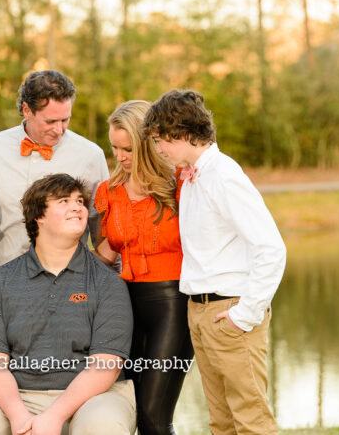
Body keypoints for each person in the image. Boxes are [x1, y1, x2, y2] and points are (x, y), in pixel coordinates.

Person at [0, 174, 136, 435]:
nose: (77, 207)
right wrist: (18, 416)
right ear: (39, 217)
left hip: (94, 397)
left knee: (103, 426)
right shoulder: (0, 281)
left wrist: (54, 416)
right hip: (19, 395)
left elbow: (105, 366)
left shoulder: (108, 282)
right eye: (64, 201)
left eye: (80, 201)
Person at [143, 90, 286, 435]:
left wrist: (245, 314)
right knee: (221, 422)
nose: (159, 149)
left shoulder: (224, 176)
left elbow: (271, 248)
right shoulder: (192, 176)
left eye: (161, 140)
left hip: (231, 312)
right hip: (201, 312)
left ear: (184, 133)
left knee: (251, 421)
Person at [93, 100, 193, 435]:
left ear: (149, 145)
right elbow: (104, 254)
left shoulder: (180, 183)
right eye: (114, 147)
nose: (119, 156)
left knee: (154, 414)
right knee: (136, 411)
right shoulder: (109, 192)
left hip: (174, 305)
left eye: (128, 149)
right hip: (125, 307)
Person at [0, 70, 109, 269]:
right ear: (27, 110)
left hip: (67, 281)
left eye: (65, 120)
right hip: (3, 278)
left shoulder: (91, 155)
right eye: (51, 121)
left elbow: (104, 230)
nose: (59, 130)